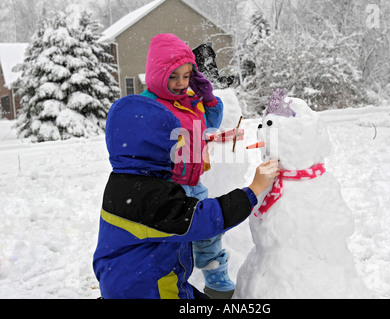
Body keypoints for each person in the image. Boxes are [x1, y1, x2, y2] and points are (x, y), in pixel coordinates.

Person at [92, 94, 279, 299]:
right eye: (174, 147)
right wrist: (253, 190)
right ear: (152, 150)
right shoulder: (146, 196)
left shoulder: (126, 182)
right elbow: (201, 220)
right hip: (148, 289)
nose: (179, 153)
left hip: (131, 279)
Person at [140, 33, 234, 298]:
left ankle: (217, 285)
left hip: (194, 183)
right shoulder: (148, 103)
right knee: (168, 243)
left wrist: (209, 98)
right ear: (158, 74)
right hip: (165, 187)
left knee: (208, 231)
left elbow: (211, 124)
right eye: (173, 76)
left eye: (186, 75)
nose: (180, 83)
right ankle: (167, 289)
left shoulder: (189, 99)